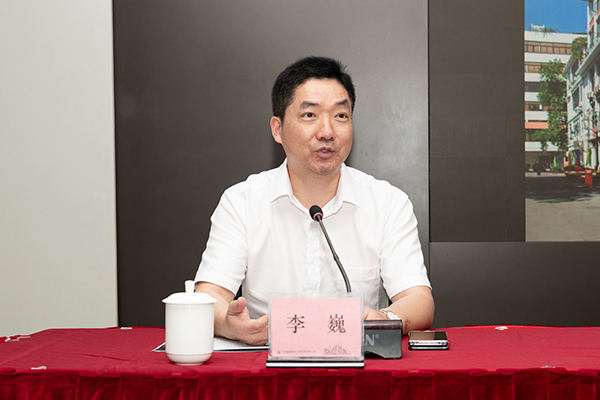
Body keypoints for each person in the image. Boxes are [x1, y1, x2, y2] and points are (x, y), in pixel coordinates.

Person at [195, 56, 434, 345]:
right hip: (265, 365)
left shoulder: (388, 204)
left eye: (340, 116)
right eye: (310, 115)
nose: (327, 132)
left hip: (359, 366)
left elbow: (418, 300)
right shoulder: (241, 202)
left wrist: (385, 319)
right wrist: (229, 324)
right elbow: (209, 296)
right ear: (278, 129)